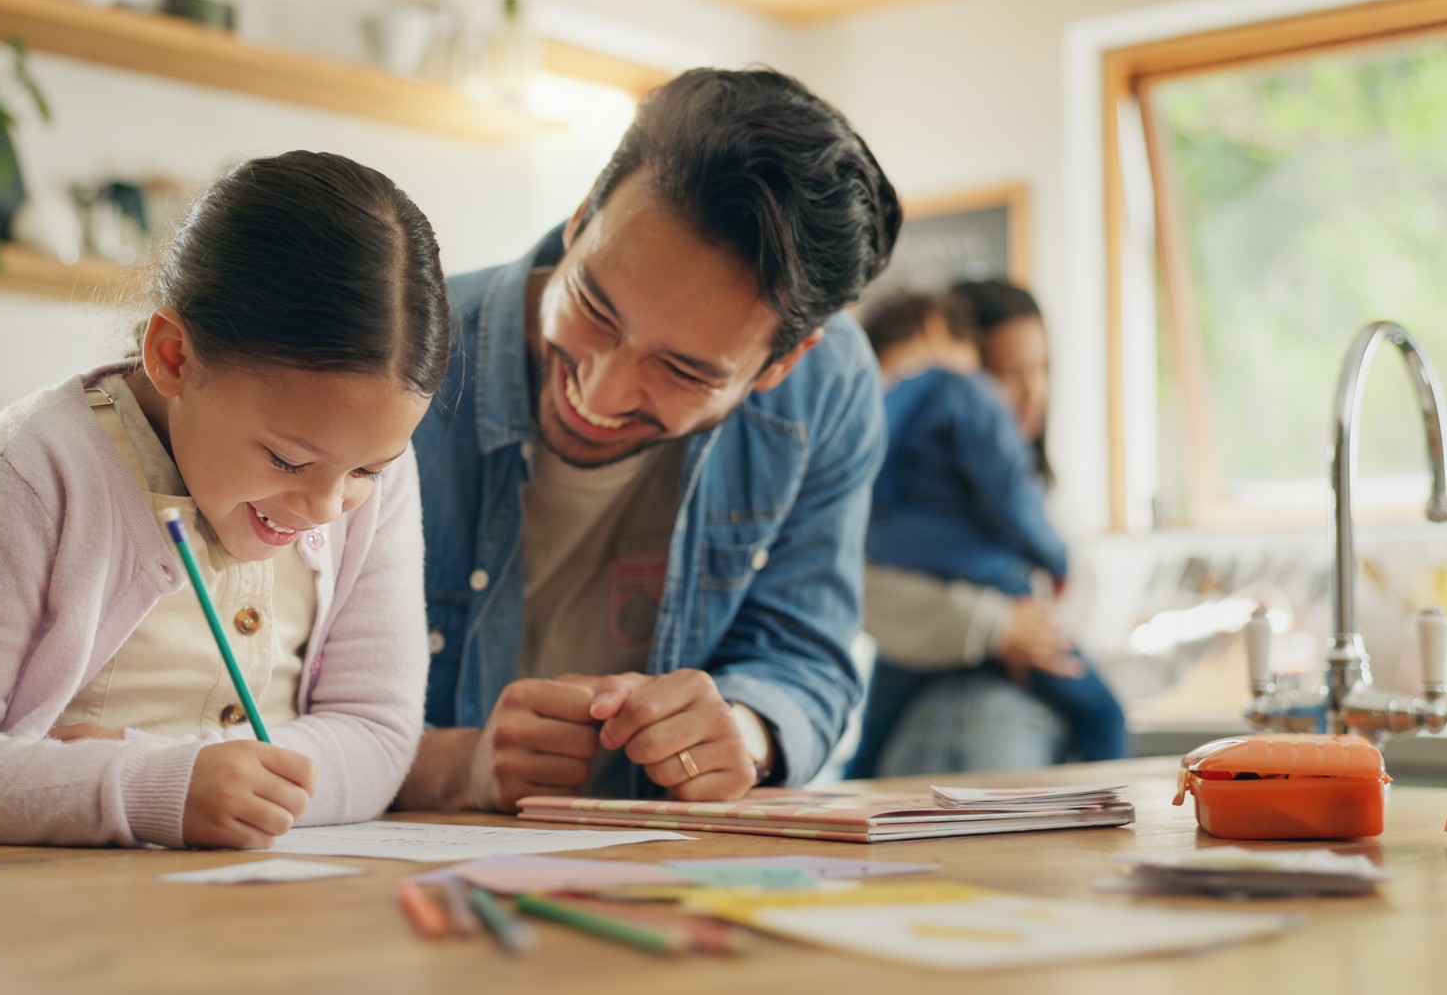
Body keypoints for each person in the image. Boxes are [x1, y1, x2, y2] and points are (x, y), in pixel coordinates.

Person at [0, 151, 449, 849]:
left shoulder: (370, 480)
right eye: (288, 459)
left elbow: (377, 733)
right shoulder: (39, 469)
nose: (324, 507)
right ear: (173, 356)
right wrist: (151, 786)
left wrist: (185, 773)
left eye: (367, 470)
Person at [396, 68, 903, 813]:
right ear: (579, 220)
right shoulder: (399, 357)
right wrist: (457, 763)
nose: (599, 393)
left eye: (683, 370)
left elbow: (804, 656)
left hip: (672, 871)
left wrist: (743, 729)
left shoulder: (826, 389)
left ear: (782, 362)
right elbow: (252, 705)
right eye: (595, 307)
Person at [845, 285, 1125, 779]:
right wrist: (1000, 626)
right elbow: (867, 591)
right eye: (1008, 374)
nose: (1031, 390)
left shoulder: (1038, 484)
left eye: (1041, 369)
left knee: (865, 753)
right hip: (961, 695)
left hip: (961, 675)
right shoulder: (959, 405)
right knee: (1105, 716)